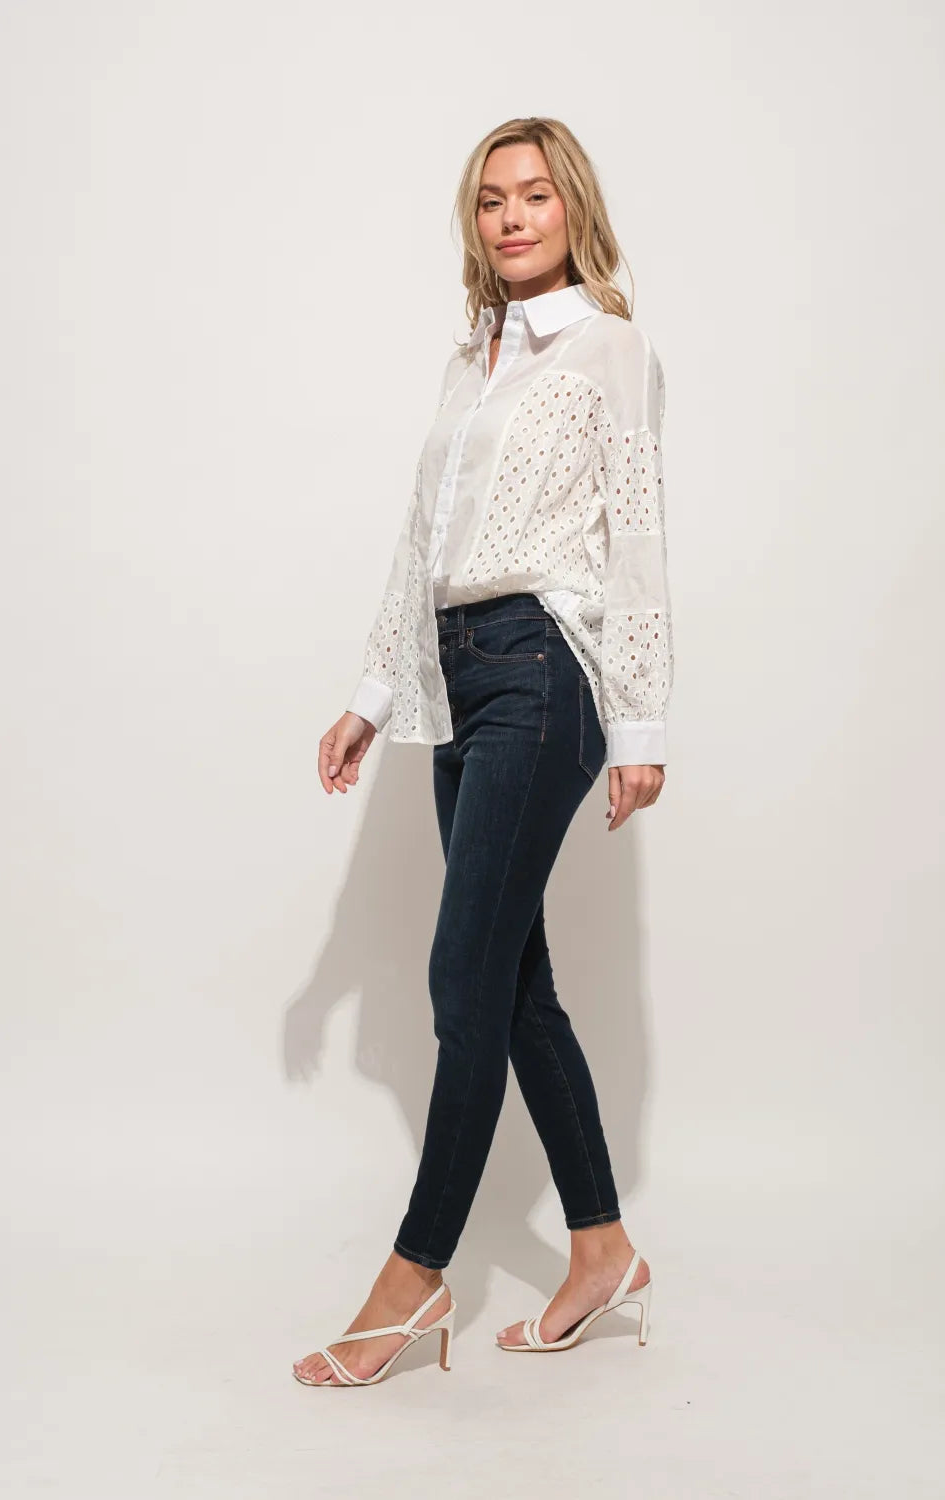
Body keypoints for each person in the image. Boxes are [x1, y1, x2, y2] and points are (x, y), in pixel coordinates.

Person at [294, 116, 673, 1388]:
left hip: (544, 674)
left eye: (535, 196)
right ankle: (602, 1249)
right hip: (455, 677)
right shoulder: (471, 360)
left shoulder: (609, 349)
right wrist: (371, 692)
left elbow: (638, 535)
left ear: (574, 210)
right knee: (513, 986)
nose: (511, 218)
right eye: (491, 200)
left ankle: (414, 1281)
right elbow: (423, 542)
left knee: (462, 984)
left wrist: (640, 722)